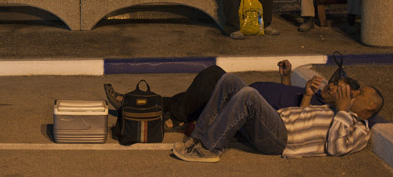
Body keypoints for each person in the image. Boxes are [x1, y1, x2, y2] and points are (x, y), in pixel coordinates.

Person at [171, 73, 383, 163]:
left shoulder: (360, 131)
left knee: (248, 95)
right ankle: (198, 139)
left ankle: (210, 149)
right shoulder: (335, 108)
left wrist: (343, 112)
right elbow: (305, 116)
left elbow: (336, 148)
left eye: (360, 94)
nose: (354, 95)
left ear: (371, 106)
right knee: (229, 80)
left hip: (282, 141)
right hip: (277, 123)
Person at [104, 60, 359, 133]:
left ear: (343, 96)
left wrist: (307, 95)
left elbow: (297, 120)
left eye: (339, 87)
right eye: (334, 81)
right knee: (192, 95)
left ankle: (176, 113)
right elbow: (286, 97)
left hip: (244, 104)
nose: (332, 85)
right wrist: (286, 78)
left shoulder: (320, 109)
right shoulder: (313, 94)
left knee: (213, 75)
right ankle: (131, 103)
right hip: (244, 91)